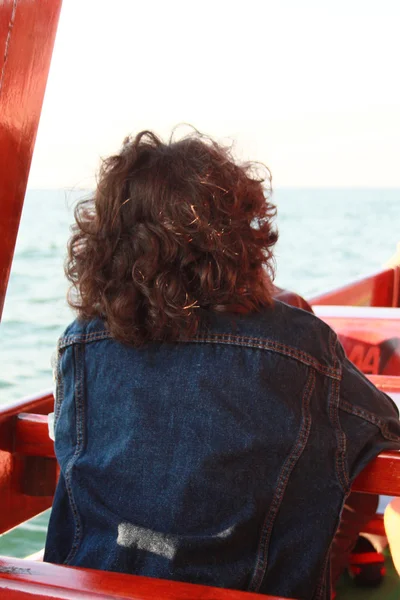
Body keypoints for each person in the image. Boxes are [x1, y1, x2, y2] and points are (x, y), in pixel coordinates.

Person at [44, 129, 400, 600]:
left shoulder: (80, 345)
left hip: (84, 590)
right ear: (237, 233)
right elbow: (385, 426)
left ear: (108, 243)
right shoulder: (299, 342)